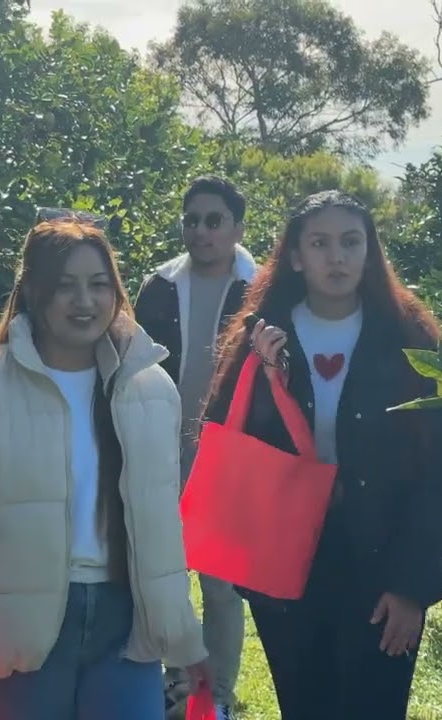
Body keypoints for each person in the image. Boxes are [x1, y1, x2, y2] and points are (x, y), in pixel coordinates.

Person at [0, 216, 210, 720]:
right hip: (19, 634)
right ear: (33, 292)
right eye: (66, 286)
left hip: (125, 632)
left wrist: (182, 635)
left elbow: (161, 526)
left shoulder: (151, 391)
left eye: (99, 285)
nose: (85, 301)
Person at [201, 191, 442, 719]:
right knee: (307, 707)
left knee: (375, 707)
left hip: (382, 560)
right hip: (288, 561)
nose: (336, 257)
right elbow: (229, 443)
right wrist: (267, 381)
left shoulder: (408, 337)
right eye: (319, 244)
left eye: (350, 242)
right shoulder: (262, 332)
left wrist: (410, 586)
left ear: (371, 251)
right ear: (295, 255)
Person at [134, 176, 255, 720]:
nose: (201, 231)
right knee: (166, 573)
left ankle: (220, 696)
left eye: (213, 220)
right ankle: (176, 686)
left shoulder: (261, 289)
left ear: (236, 226)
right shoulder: (157, 286)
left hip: (232, 455)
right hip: (164, 449)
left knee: (222, 585)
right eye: (192, 220)